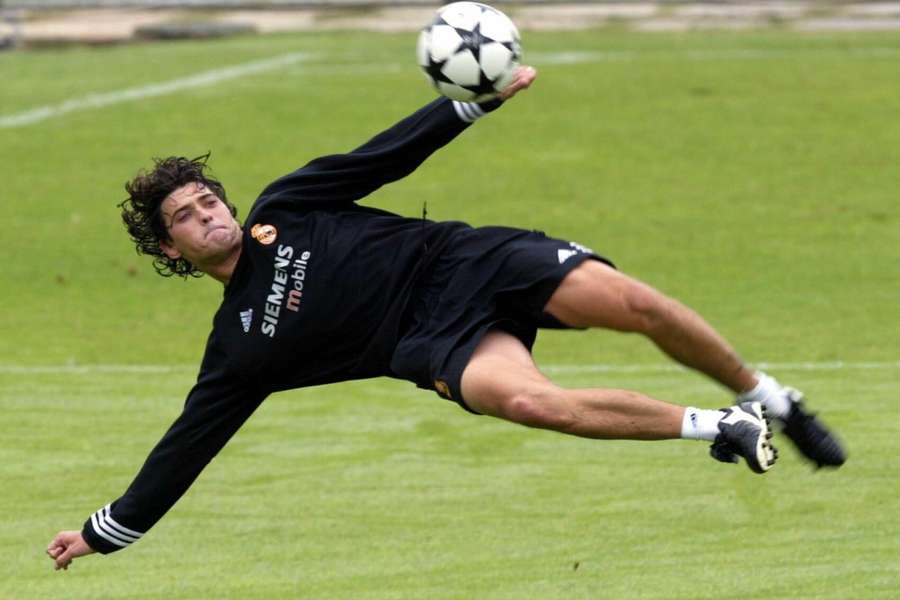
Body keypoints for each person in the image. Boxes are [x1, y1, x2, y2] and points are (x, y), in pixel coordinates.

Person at [47, 66, 845, 571]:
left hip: (468, 261)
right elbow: (190, 441)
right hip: (431, 341)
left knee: (634, 304)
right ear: (172, 249)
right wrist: (106, 530)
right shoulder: (241, 347)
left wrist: (471, 105)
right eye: (186, 217)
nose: (207, 213)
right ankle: (726, 426)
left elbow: (383, 154)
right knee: (530, 402)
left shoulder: (285, 206)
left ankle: (770, 395)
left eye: (206, 197)